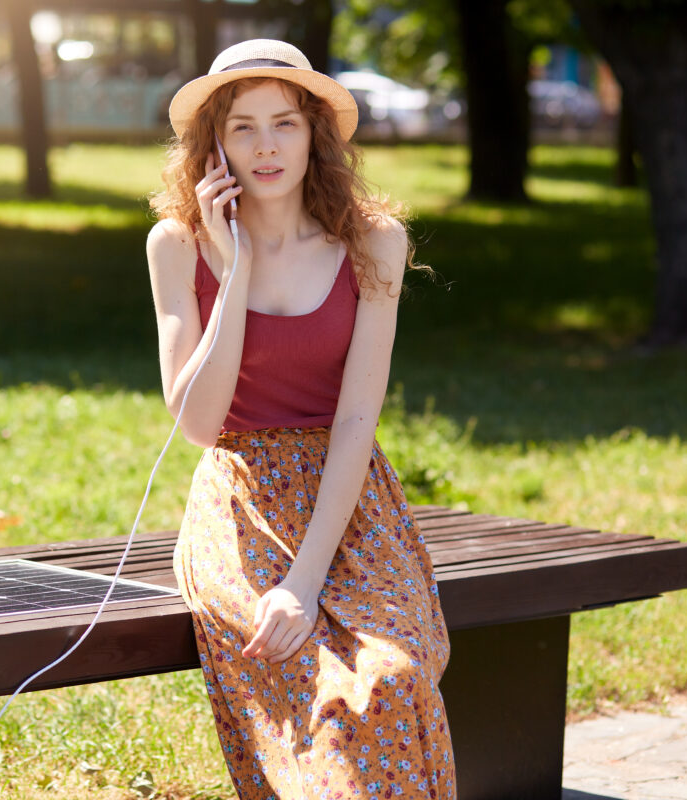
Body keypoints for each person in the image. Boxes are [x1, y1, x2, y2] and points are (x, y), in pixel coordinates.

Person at [145, 40, 455, 799]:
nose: (265, 146)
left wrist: (305, 581)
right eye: (242, 127)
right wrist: (237, 263)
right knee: (308, 682)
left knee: (391, 676)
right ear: (213, 143)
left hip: (348, 503)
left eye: (283, 123)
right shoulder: (178, 246)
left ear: (315, 130)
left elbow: (356, 421)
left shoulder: (372, 242)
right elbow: (199, 421)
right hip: (241, 503)